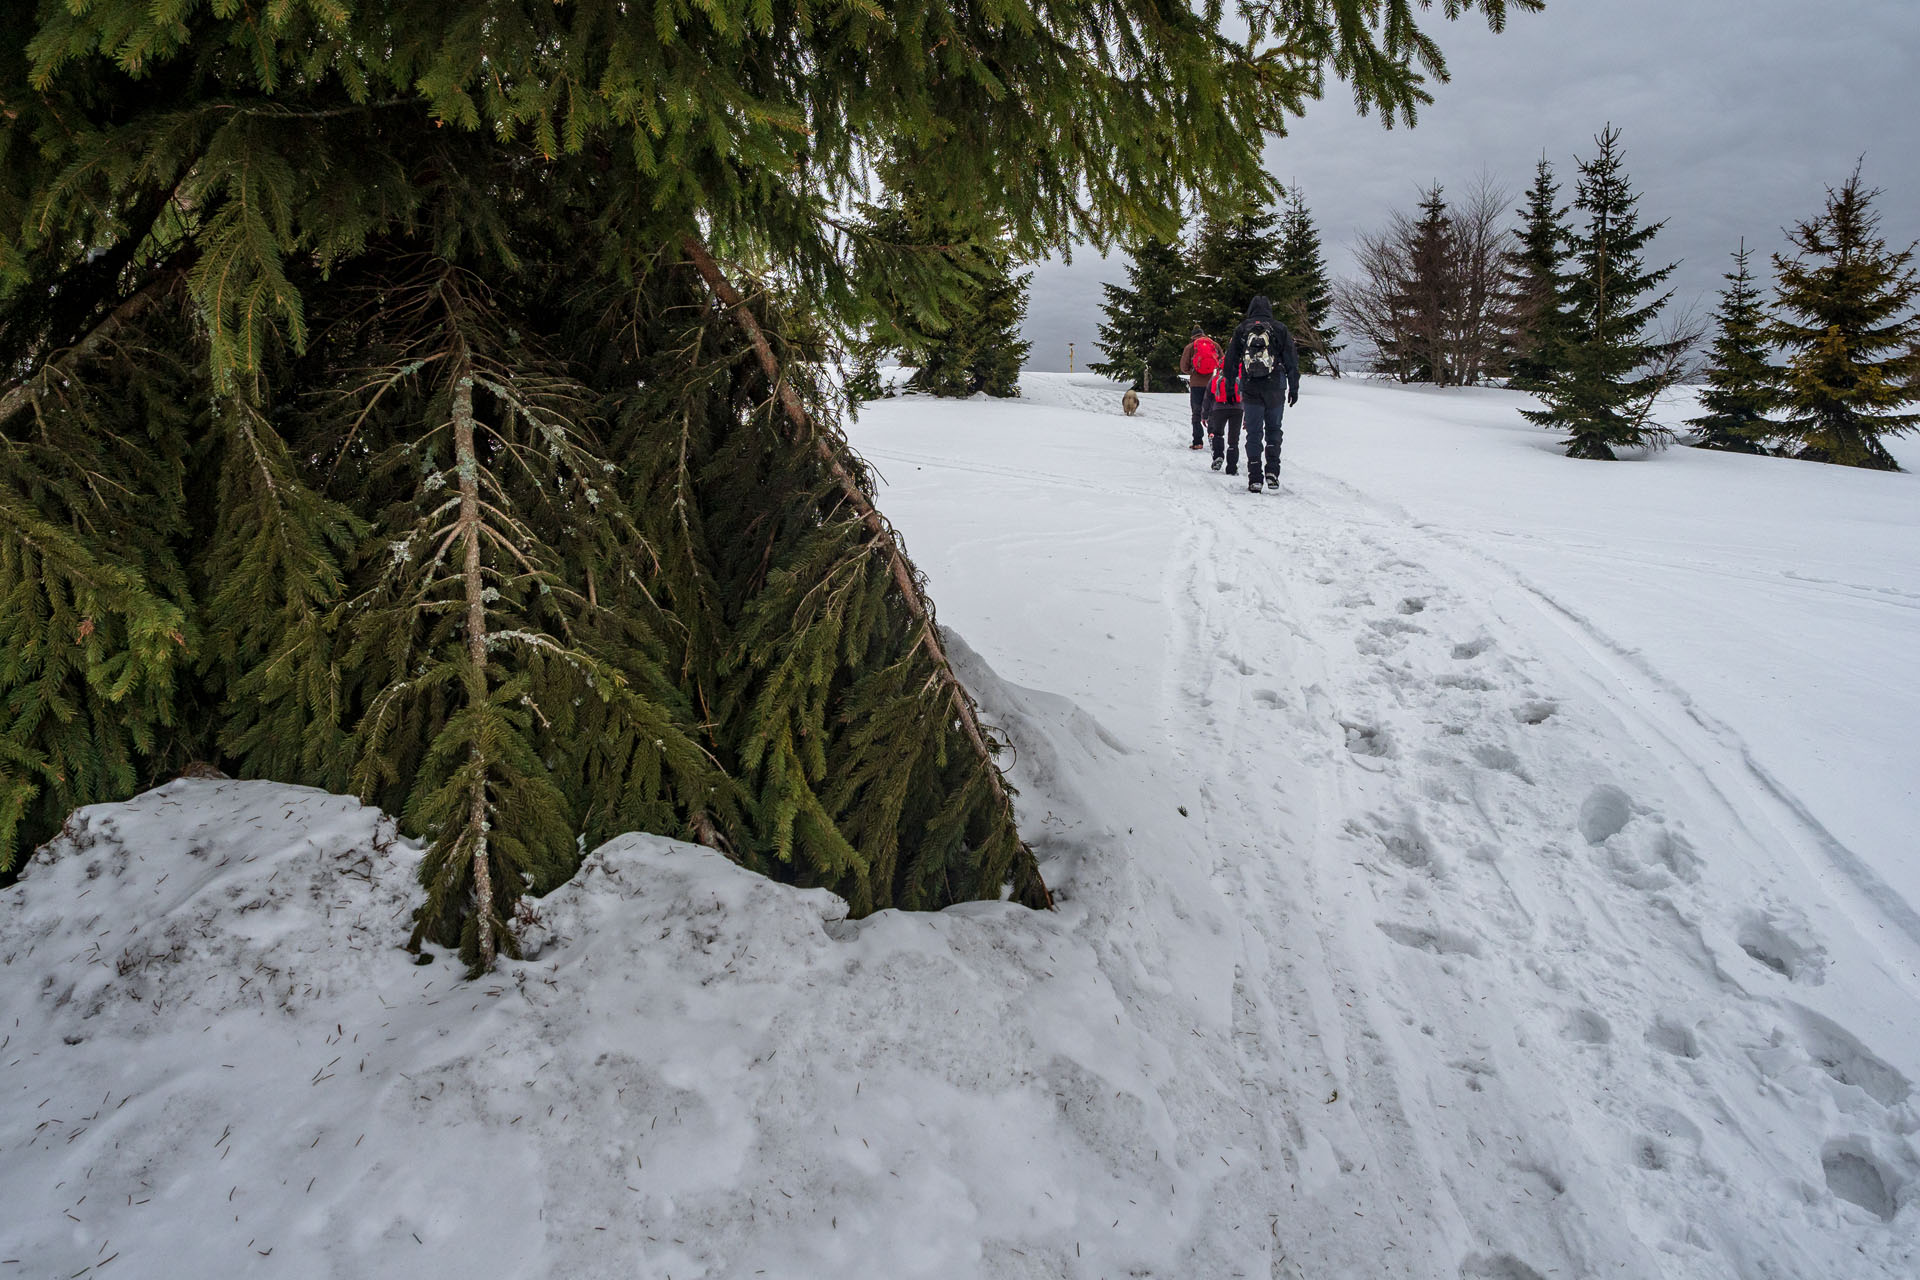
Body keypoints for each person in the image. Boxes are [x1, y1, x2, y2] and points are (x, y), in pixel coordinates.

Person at [1222, 296, 1300, 493]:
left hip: (1250, 387)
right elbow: (1292, 360)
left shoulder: (1242, 328)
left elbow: (1230, 360)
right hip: (1275, 387)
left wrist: (1230, 386)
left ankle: (1255, 477)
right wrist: (1294, 386)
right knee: (1274, 430)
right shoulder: (1280, 328)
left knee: (1254, 433)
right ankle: (1272, 471)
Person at [1178, 326, 1222, 450]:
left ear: (1193, 336)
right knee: (1212, 411)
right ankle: (1213, 437)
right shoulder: (1214, 345)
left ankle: (1198, 441)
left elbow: (1183, 366)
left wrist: (1193, 372)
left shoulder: (1190, 347)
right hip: (1212, 383)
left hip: (1196, 384)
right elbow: (1222, 362)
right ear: (1203, 334)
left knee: (1196, 412)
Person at [1206, 369, 1242, 474]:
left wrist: (1205, 414)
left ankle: (1218, 456)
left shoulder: (1217, 376)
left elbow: (1209, 395)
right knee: (1234, 440)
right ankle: (1232, 467)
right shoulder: (1241, 375)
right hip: (1237, 408)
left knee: (1217, 433)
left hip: (1219, 408)